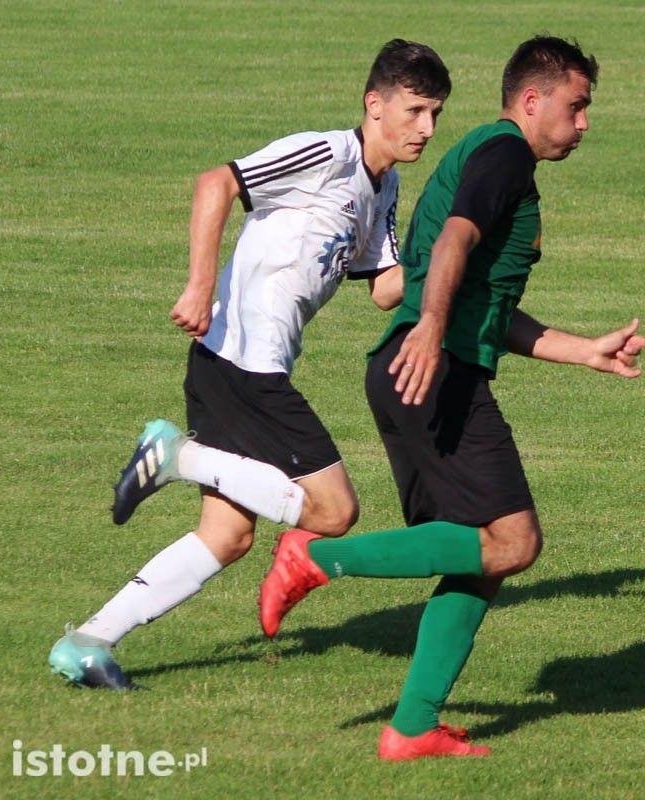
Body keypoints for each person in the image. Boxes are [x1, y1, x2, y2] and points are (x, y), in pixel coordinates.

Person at [258, 35, 645, 761]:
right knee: (514, 540)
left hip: (422, 369)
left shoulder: (493, 157)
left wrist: (583, 350)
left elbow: (488, 307)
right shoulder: (504, 155)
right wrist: (433, 327)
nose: (585, 123)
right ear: (533, 101)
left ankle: (411, 727)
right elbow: (454, 244)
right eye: (578, 105)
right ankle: (315, 558)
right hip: (431, 373)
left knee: (482, 561)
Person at [48, 40, 451, 690]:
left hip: (235, 368)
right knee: (333, 511)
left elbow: (383, 286)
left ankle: (88, 642)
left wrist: (459, 257)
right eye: (414, 110)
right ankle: (177, 458)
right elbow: (218, 182)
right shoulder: (326, 153)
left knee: (228, 537)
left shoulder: (387, 185)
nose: (426, 129)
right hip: (244, 365)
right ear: (374, 105)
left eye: (435, 113)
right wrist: (198, 284)